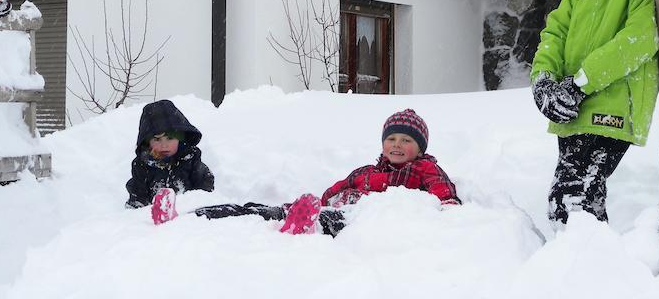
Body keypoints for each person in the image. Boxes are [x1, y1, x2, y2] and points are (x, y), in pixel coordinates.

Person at [530, 0, 659, 226]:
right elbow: (557, 29)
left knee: (577, 193)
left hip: (614, 98)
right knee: (568, 198)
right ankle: (583, 268)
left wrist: (580, 83)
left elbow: (640, 38)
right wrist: (544, 80)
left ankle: (587, 268)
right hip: (574, 102)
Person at [183, 108, 460, 236]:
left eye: (406, 141)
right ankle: (216, 212)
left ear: (420, 148)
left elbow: (442, 188)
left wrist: (448, 206)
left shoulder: (424, 167)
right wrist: (324, 198)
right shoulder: (368, 170)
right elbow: (341, 185)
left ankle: (307, 223)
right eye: (392, 139)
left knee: (331, 220)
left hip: (357, 218)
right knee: (271, 210)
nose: (397, 145)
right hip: (337, 206)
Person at [125, 99, 215, 210]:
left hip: (188, 218)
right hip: (155, 222)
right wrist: (141, 210)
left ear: (180, 138)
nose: (164, 145)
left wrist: (195, 204)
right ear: (148, 143)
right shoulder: (142, 165)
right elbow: (137, 196)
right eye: (157, 140)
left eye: (170, 138)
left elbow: (204, 187)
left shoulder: (190, 159)